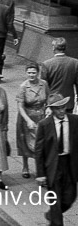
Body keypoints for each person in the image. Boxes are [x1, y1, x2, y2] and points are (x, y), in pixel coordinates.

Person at [35, 92, 78, 226]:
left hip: (69, 164)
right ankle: (56, 220)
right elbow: (39, 150)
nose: (61, 110)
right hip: (53, 166)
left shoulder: (74, 121)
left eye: (63, 107)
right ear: (52, 109)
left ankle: (52, 215)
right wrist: (40, 174)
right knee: (55, 199)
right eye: (58, 108)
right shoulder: (44, 124)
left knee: (69, 197)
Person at [17, 62, 49, 179]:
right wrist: (28, 120)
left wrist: (49, 108)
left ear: (38, 73)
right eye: (29, 73)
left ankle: (40, 169)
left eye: (34, 73)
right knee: (25, 142)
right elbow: (20, 107)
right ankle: (25, 166)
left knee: (41, 144)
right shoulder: (23, 87)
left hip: (41, 116)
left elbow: (48, 99)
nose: (31, 75)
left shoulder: (44, 84)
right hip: (27, 117)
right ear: (26, 73)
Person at [41, 37, 78, 112]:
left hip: (52, 103)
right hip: (68, 103)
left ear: (53, 48)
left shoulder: (46, 64)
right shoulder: (75, 63)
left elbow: (43, 86)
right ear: (65, 47)